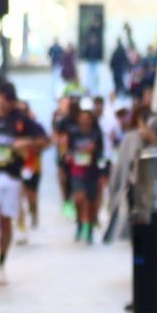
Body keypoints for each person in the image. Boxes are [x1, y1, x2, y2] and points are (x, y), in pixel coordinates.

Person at [0, 80, 46, 285]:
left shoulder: (21, 119)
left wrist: (25, 142)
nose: (8, 104)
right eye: (5, 99)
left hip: (12, 174)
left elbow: (43, 139)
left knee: (5, 221)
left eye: (11, 101)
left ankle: (1, 264)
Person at [64, 100, 106, 243]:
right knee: (79, 199)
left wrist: (103, 172)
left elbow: (100, 153)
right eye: (82, 117)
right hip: (77, 170)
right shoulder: (73, 133)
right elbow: (68, 150)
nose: (85, 121)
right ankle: (80, 223)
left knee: (91, 201)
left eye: (88, 118)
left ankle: (89, 228)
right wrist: (71, 155)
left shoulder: (96, 133)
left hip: (92, 170)